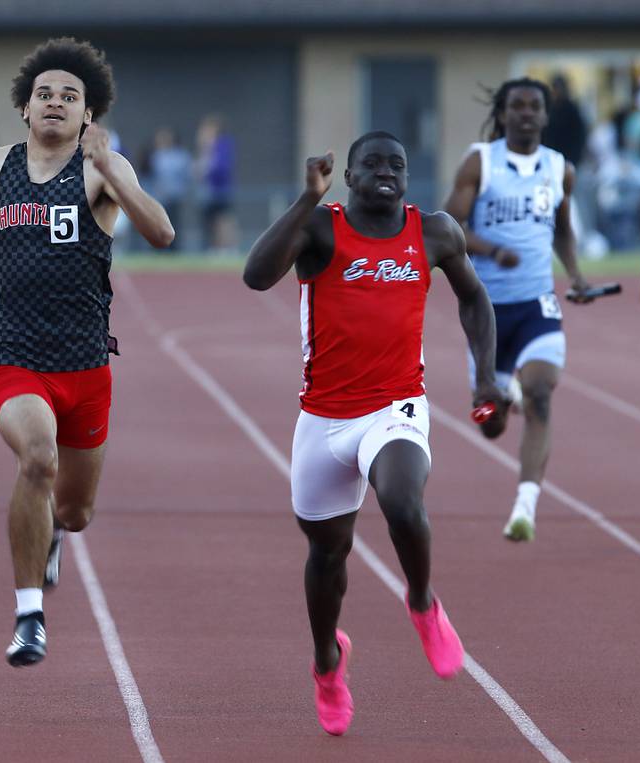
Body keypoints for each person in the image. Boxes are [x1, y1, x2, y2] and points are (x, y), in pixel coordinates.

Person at [243, 131, 505, 736]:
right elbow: (257, 276)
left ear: (408, 177)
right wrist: (307, 200)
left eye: (397, 164)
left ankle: (421, 602)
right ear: (351, 177)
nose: (386, 172)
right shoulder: (321, 229)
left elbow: (475, 300)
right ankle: (328, 664)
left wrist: (485, 376)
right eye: (372, 164)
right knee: (326, 558)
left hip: (395, 407)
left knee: (403, 501)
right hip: (323, 421)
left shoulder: (435, 232)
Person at [0, 37, 174, 667]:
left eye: (70, 97)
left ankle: (55, 530)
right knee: (37, 458)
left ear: (89, 114)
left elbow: (163, 233)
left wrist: (114, 168)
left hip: (86, 364)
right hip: (10, 353)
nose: (56, 104)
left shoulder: (101, 172)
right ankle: (29, 615)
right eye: (45, 96)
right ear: (25, 109)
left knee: (78, 510)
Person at [443, 77, 592, 543]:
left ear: (545, 116)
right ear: (503, 114)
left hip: (537, 304)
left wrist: (577, 275)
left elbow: (563, 230)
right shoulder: (480, 162)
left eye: (535, 107)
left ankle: (524, 507)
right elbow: (447, 228)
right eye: (517, 106)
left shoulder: (558, 168)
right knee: (490, 423)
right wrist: (491, 249)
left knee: (543, 394)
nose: (526, 113)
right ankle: (501, 391)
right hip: (485, 312)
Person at [195, 114, 236, 250]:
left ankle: (228, 247)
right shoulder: (205, 146)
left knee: (223, 220)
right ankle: (214, 247)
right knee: (210, 221)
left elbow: (220, 167)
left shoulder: (222, 144)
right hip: (207, 190)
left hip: (220, 188)